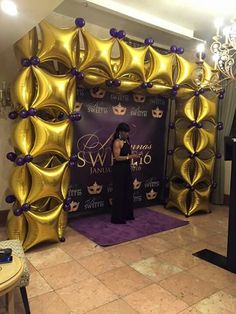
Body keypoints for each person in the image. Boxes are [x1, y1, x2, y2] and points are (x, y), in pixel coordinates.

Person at [111, 122, 140, 224]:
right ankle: (117, 218)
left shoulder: (127, 141)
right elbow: (117, 158)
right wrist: (130, 157)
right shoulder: (117, 142)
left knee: (128, 192)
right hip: (119, 170)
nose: (127, 134)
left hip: (127, 169)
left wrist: (134, 155)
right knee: (119, 193)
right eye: (126, 132)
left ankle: (127, 214)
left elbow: (128, 154)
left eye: (128, 132)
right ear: (120, 132)